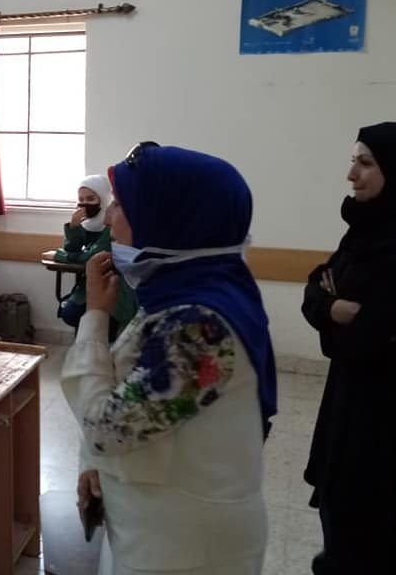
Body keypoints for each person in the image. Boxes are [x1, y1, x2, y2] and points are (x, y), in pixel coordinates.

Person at [62, 143, 276, 575]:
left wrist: (95, 316)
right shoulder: (181, 297)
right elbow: (127, 395)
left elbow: (106, 428)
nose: (109, 217)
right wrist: (94, 464)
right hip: (157, 529)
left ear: (169, 219)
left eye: (122, 205)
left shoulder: (200, 327)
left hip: (184, 550)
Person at [301, 122, 396, 575]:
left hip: (387, 415)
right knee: (340, 515)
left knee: (373, 530)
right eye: (354, 161)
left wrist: (334, 315)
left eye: (365, 163)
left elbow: (362, 340)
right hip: (350, 399)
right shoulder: (369, 229)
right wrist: (333, 307)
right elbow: (316, 286)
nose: (351, 174)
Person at [54, 174, 136, 335]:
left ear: (104, 199)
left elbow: (90, 258)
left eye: (91, 199)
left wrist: (59, 255)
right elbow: (73, 249)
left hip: (116, 286)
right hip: (92, 284)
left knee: (76, 315)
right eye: (81, 199)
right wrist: (74, 227)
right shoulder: (89, 224)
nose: (84, 204)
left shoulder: (111, 225)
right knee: (70, 313)